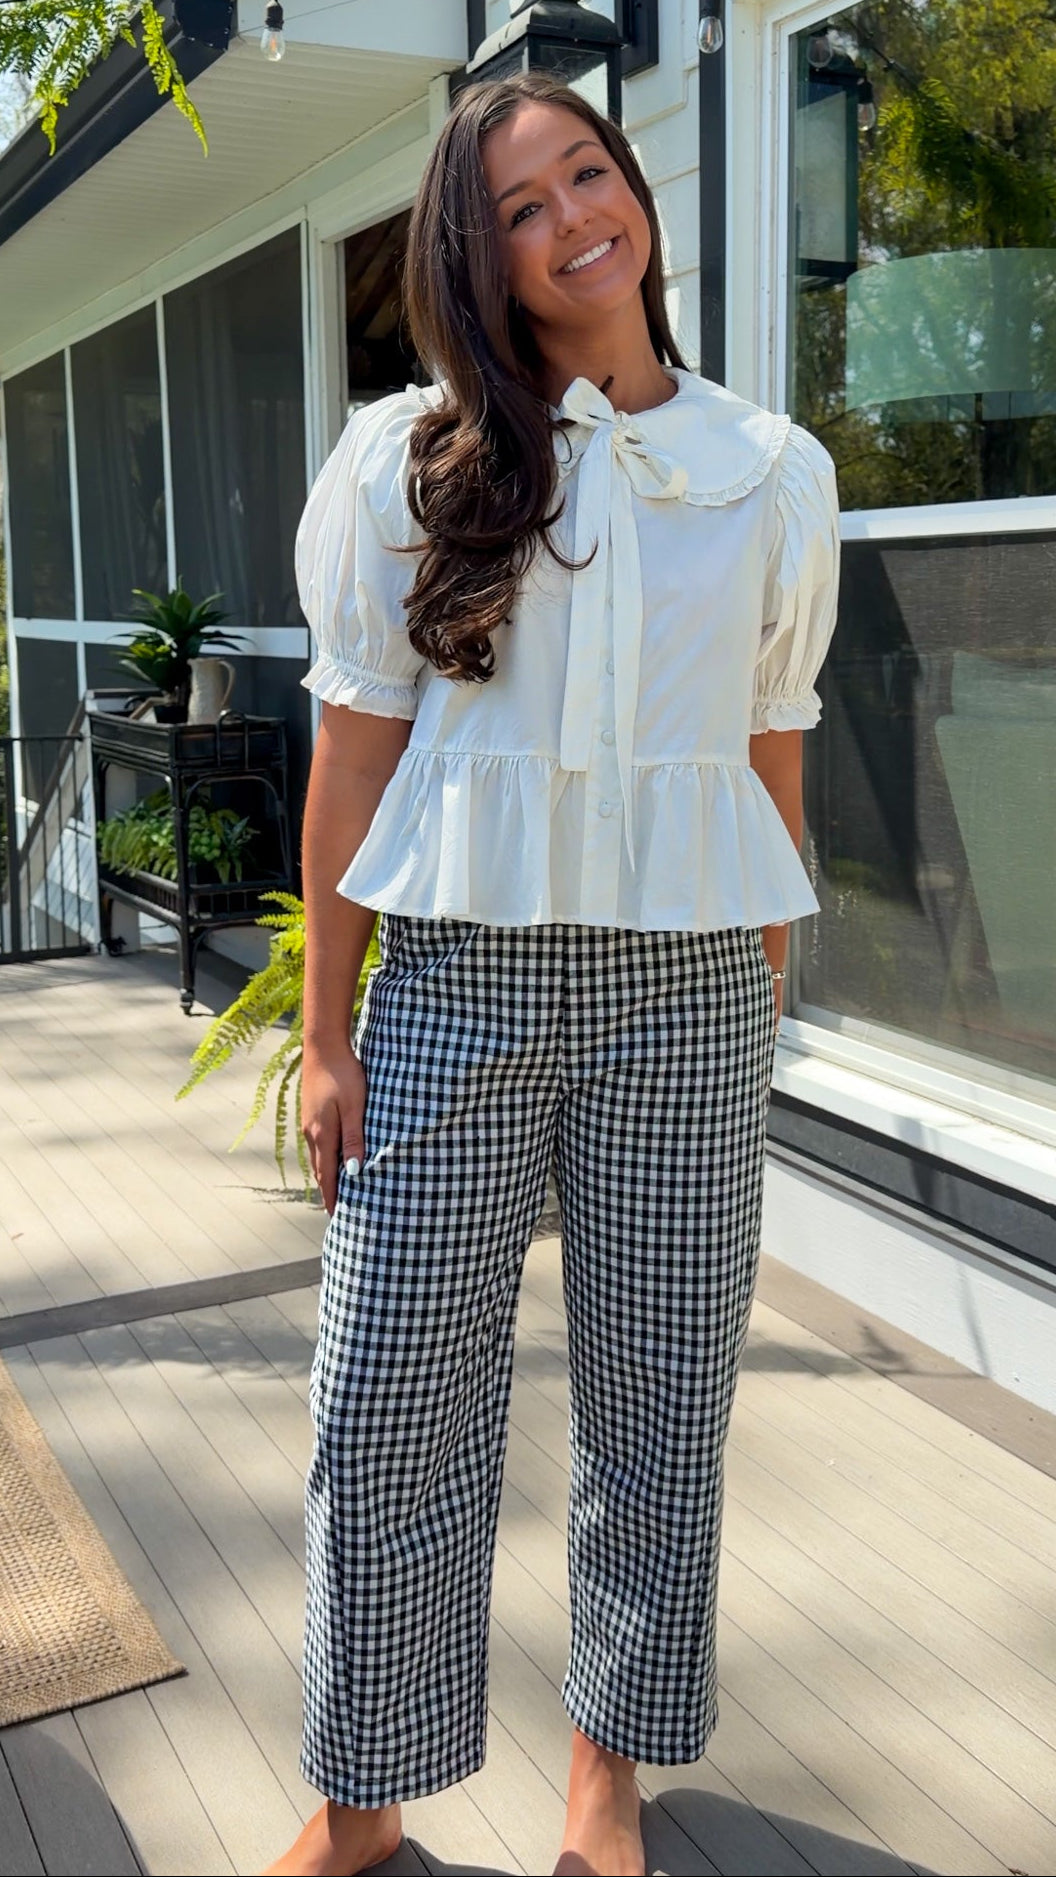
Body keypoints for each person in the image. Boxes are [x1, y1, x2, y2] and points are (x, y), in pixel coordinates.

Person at [266, 70, 840, 1877]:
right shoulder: (407, 460)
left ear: (636, 190)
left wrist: (759, 990)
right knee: (382, 1402)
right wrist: (327, 1028)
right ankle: (364, 1799)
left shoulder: (773, 470)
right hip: (455, 989)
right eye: (520, 203)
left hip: (685, 1002)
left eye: (588, 171)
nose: (574, 215)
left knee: (665, 1404)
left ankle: (608, 1771)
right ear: (479, 252)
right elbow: (352, 759)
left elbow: (773, 754)